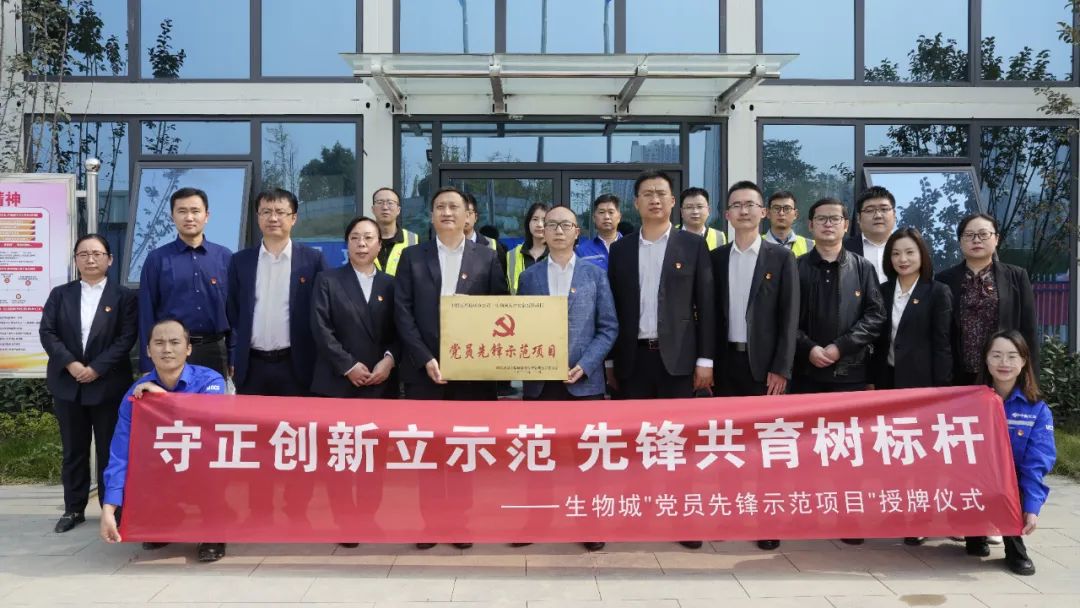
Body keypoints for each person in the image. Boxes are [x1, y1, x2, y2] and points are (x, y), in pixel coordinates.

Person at [394, 186, 508, 550]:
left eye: (454, 207)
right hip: (424, 368)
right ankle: (430, 523)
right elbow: (402, 312)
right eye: (440, 207)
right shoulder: (412, 257)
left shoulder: (487, 257)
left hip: (472, 373)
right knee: (428, 451)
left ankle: (460, 522)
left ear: (467, 214)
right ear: (431, 215)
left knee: (463, 450)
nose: (447, 212)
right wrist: (425, 357)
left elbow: (501, 309)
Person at [515, 204, 617, 552]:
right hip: (540, 385)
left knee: (586, 460)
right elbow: (519, 328)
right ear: (542, 231)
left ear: (577, 232)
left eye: (566, 225)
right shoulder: (529, 278)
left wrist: (586, 365)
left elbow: (608, 327)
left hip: (583, 383)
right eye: (552, 224)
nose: (558, 230)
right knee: (538, 458)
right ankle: (535, 519)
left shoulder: (595, 275)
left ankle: (589, 523)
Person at [711, 181, 799, 552]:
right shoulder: (716, 258)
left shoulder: (781, 258)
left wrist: (782, 368)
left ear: (763, 212)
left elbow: (789, 318)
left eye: (751, 204)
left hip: (764, 367)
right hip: (724, 363)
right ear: (727, 215)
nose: (744, 211)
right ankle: (726, 512)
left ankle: (768, 519)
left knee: (766, 446)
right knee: (725, 443)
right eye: (737, 205)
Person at [795, 198, 886, 546]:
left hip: (850, 374)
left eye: (835, 219)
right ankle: (806, 512)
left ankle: (848, 517)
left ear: (847, 225)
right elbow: (785, 319)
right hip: (806, 374)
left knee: (847, 450)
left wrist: (840, 347)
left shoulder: (862, 268)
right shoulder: (797, 267)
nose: (828, 224)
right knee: (805, 449)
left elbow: (875, 316)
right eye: (821, 219)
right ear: (810, 225)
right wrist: (809, 348)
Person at [99, 319, 228, 562]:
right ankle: (165, 521)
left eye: (175, 342)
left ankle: (213, 533)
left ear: (188, 349)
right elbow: (121, 451)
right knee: (140, 466)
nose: (167, 349)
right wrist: (109, 508)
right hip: (164, 461)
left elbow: (208, 421)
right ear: (148, 350)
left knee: (212, 467)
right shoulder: (137, 392)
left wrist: (164, 400)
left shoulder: (210, 380)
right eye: (159, 343)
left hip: (205, 460)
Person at [39, 234, 138, 534]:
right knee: (74, 449)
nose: (90, 259)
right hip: (68, 382)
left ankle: (113, 508)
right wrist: (71, 364)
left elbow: (126, 338)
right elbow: (48, 332)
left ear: (110, 259)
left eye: (97, 253)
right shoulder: (61, 294)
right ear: (76, 260)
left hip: (108, 383)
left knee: (110, 450)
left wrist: (96, 368)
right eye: (83, 254)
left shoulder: (124, 297)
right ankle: (73, 508)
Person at [869, 228, 953, 546]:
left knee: (920, 455)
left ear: (922, 255)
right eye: (895, 253)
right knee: (892, 451)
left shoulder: (937, 291)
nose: (902, 259)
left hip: (922, 387)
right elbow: (877, 342)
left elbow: (943, 344)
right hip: (888, 383)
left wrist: (941, 390)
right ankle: (896, 510)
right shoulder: (883, 290)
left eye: (909, 252)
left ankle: (920, 517)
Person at [607, 170, 715, 398]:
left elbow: (706, 306)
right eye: (647, 194)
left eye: (661, 194)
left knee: (677, 421)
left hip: (679, 360)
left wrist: (705, 359)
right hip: (632, 361)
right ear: (636, 202)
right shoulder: (620, 250)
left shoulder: (693, 245)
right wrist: (609, 361)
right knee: (636, 421)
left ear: (672, 201)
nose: (655, 200)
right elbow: (612, 308)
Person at [968, 330, 1055, 575]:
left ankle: (1014, 547)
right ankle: (974, 532)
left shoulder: (1037, 409)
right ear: (986, 360)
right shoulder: (969, 402)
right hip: (974, 479)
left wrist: (1032, 507)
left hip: (1011, 483)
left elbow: (1037, 462)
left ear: (1024, 361)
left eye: (1012, 356)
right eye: (996, 355)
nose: (1004, 363)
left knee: (1011, 481)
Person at [227, 188, 327, 397]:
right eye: (266, 212)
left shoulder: (312, 260)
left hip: (297, 365)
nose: (273, 218)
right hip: (252, 366)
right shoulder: (240, 261)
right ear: (258, 217)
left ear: (294, 218)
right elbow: (233, 311)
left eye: (280, 212)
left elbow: (322, 313)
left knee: (295, 418)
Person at [138, 187, 232, 377]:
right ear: (172, 216)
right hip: (171, 351)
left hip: (215, 350)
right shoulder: (157, 259)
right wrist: (147, 363)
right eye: (182, 211)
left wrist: (234, 354)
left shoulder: (224, 257)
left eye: (195, 211)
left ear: (206, 216)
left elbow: (235, 311)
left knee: (215, 397)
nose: (189, 217)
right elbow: (146, 312)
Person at [936, 213, 1038, 385]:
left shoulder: (1016, 276)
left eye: (983, 234)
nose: (976, 240)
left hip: (1003, 373)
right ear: (960, 241)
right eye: (969, 235)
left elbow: (1029, 331)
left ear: (996, 239)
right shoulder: (944, 280)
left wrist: (1030, 380)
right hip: (957, 375)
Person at [310, 216, 397, 399]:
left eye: (368, 238)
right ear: (347, 244)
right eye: (355, 238)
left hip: (380, 382)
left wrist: (389, 360)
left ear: (379, 245)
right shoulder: (327, 280)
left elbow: (401, 329)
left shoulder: (392, 284)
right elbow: (321, 329)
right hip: (336, 383)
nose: (361, 244)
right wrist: (348, 366)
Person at [844, 186, 897, 282]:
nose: (878, 215)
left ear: (894, 214)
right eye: (870, 210)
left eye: (884, 209)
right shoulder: (843, 250)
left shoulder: (911, 248)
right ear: (858, 218)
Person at [371, 186, 420, 276]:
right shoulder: (364, 239)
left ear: (398, 210)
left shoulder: (413, 239)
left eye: (390, 203)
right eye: (380, 202)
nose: (385, 207)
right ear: (373, 209)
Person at [463, 192, 509, 277]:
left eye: (469, 213)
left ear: (476, 217)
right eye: (461, 213)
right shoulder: (443, 246)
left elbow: (500, 280)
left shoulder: (493, 246)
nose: (465, 218)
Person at [508, 202, 550, 294]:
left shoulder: (557, 254)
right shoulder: (511, 255)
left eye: (544, 220)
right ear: (528, 223)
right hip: (518, 303)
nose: (539, 224)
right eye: (535, 219)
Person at [575, 194, 622, 271]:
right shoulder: (582, 251)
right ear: (594, 218)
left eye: (611, 212)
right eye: (601, 212)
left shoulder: (631, 248)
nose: (606, 217)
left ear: (619, 217)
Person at [762, 191, 813, 257]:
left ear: (795, 214)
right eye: (776, 208)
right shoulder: (757, 243)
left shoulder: (811, 246)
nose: (781, 213)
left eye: (787, 208)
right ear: (768, 213)